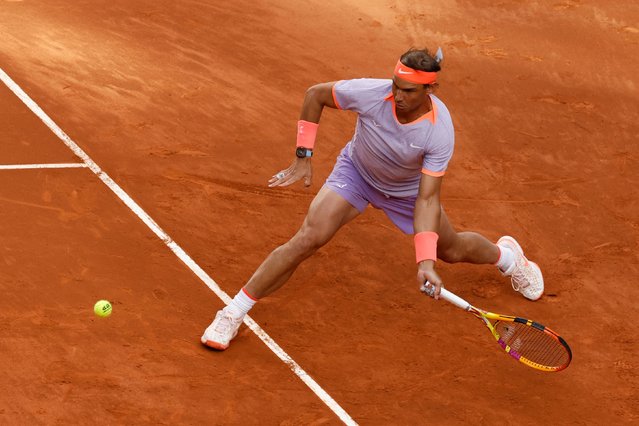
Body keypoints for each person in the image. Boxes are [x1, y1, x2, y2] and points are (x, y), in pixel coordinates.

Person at [201, 47, 544, 350]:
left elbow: (426, 200)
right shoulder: (372, 93)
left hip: (407, 194)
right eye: (395, 85)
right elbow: (315, 95)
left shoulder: (439, 130)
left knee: (452, 250)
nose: (397, 95)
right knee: (308, 238)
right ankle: (232, 313)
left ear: (429, 89)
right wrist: (304, 154)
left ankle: (508, 258)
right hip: (357, 174)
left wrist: (426, 262)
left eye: (408, 90)